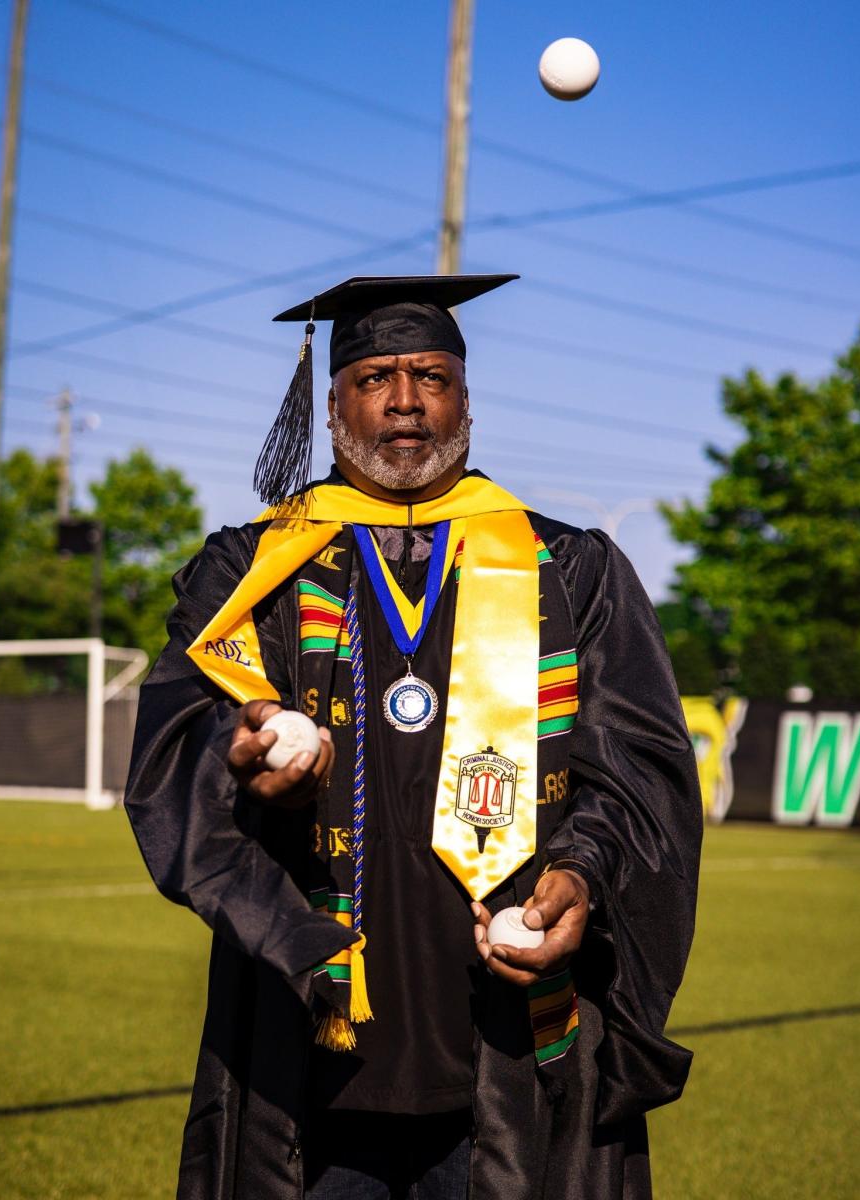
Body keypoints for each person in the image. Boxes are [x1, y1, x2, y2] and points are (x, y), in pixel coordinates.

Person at [124, 274, 703, 1200]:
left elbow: (641, 777)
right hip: (307, 1055)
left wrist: (580, 875)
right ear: (332, 404)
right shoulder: (254, 572)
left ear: (466, 398)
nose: (404, 403)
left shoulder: (571, 569)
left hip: (510, 1052)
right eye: (376, 377)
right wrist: (233, 766)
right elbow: (170, 759)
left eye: (431, 376)